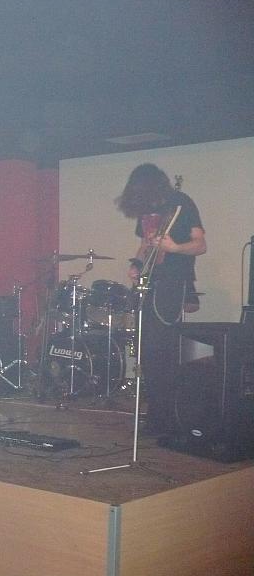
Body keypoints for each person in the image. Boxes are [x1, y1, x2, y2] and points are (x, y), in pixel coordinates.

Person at [117, 163, 206, 433]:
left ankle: (167, 417)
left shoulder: (181, 203)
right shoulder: (147, 210)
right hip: (150, 282)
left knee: (163, 348)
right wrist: (137, 264)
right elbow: (145, 244)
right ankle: (156, 414)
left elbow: (200, 245)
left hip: (172, 283)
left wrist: (174, 247)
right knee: (147, 351)